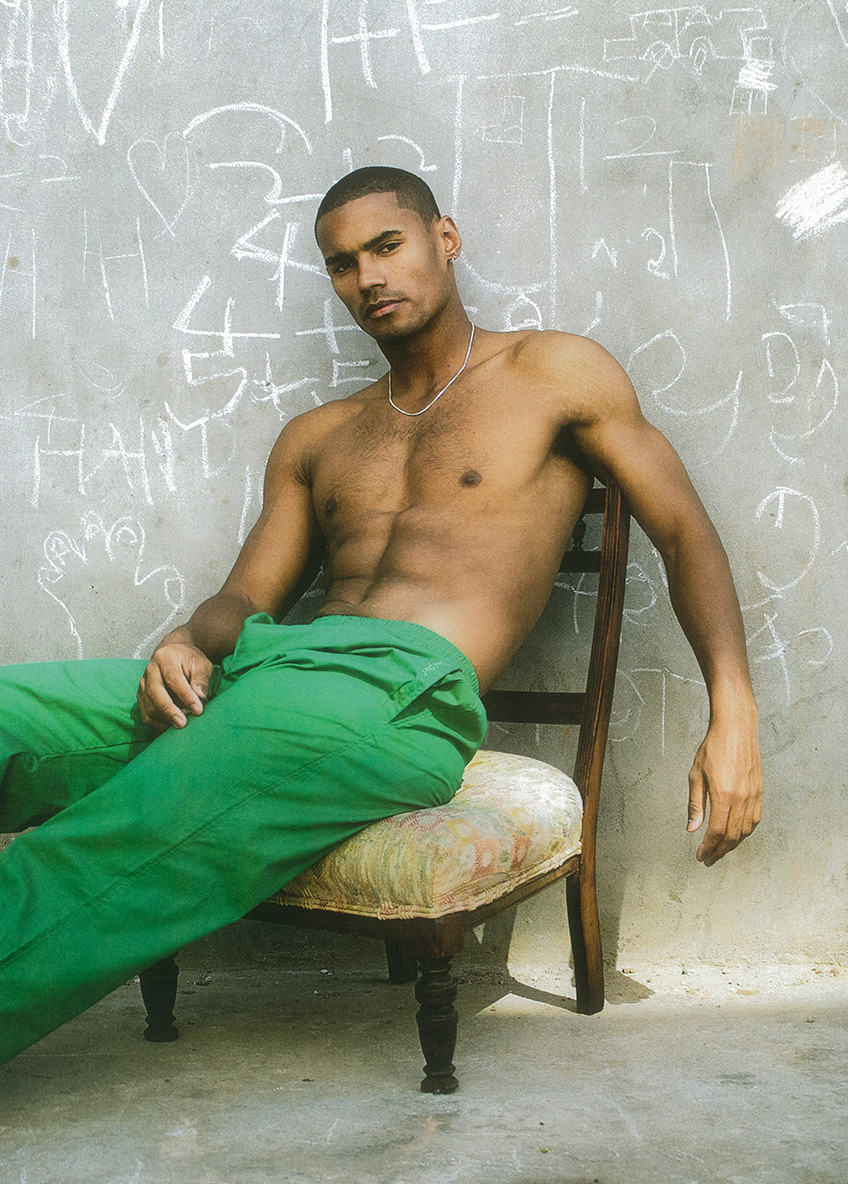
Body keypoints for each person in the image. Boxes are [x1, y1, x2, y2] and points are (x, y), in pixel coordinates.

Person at [0, 167, 762, 1066]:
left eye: (387, 246)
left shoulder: (553, 372)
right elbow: (244, 599)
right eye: (342, 263)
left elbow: (684, 531)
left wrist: (734, 716)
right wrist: (187, 639)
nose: (367, 277)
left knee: (116, 836)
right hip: (270, 673)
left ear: (446, 237)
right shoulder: (320, 436)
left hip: (400, 697)